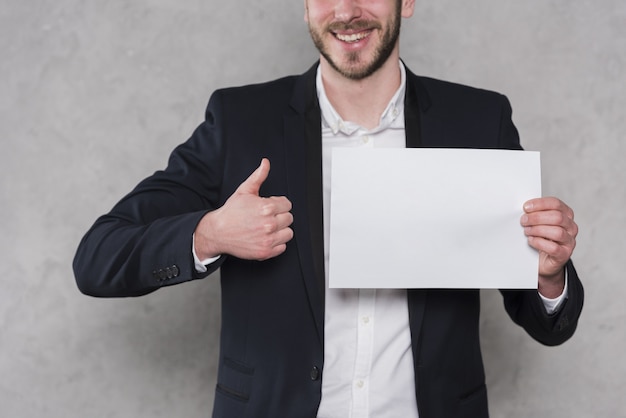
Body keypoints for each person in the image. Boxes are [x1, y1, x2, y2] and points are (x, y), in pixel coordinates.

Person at [73, 0, 584, 416]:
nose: (346, 10)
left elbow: (548, 323)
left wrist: (549, 275)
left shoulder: (478, 121)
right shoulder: (241, 122)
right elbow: (97, 259)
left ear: (407, 2)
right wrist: (210, 234)